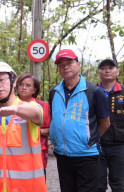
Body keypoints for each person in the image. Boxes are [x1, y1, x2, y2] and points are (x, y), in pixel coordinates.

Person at [0, 61, 47, 192]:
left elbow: (37, 114)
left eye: (1, 80)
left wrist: (15, 109)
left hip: (29, 188)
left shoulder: (30, 107)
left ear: (14, 81)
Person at [49, 49, 110, 192]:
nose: (65, 67)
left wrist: (88, 140)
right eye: (61, 64)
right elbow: (56, 119)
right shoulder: (54, 92)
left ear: (78, 64)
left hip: (86, 155)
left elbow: (105, 122)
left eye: (69, 62)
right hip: (62, 155)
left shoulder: (94, 91)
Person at [15, 73, 51, 176]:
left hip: (37, 151)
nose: (24, 87)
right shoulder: (11, 105)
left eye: (28, 85)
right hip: (15, 151)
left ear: (34, 90)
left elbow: (49, 130)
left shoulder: (43, 106)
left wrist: (32, 131)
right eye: (21, 84)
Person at [97, 59, 124, 192]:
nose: (107, 70)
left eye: (110, 68)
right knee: (98, 185)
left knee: (119, 184)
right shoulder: (92, 92)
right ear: (98, 73)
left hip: (120, 145)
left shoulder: (123, 92)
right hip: (97, 145)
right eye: (103, 68)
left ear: (117, 72)